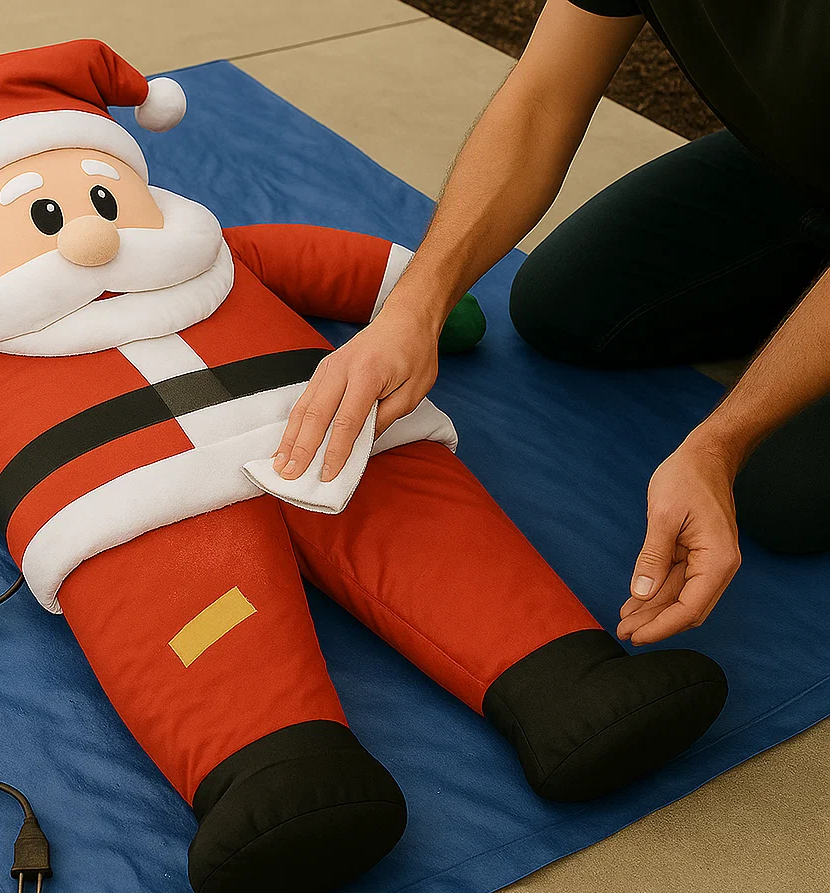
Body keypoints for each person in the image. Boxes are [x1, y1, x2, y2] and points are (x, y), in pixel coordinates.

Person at [273, 0, 830, 646]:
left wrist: (720, 441)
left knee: (780, 494)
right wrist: (414, 307)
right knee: (564, 307)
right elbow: (541, 100)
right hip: (796, 168)